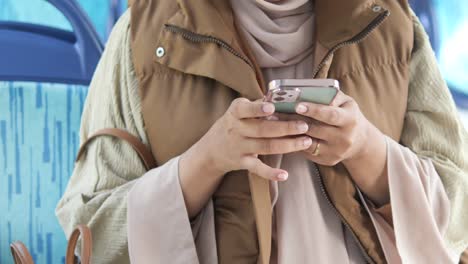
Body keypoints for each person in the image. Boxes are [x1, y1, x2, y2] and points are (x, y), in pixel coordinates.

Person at [56, 0, 468, 263]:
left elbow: (459, 215)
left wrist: (366, 150)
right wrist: (205, 163)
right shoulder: (142, 35)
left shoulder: (390, 26)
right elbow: (89, 233)